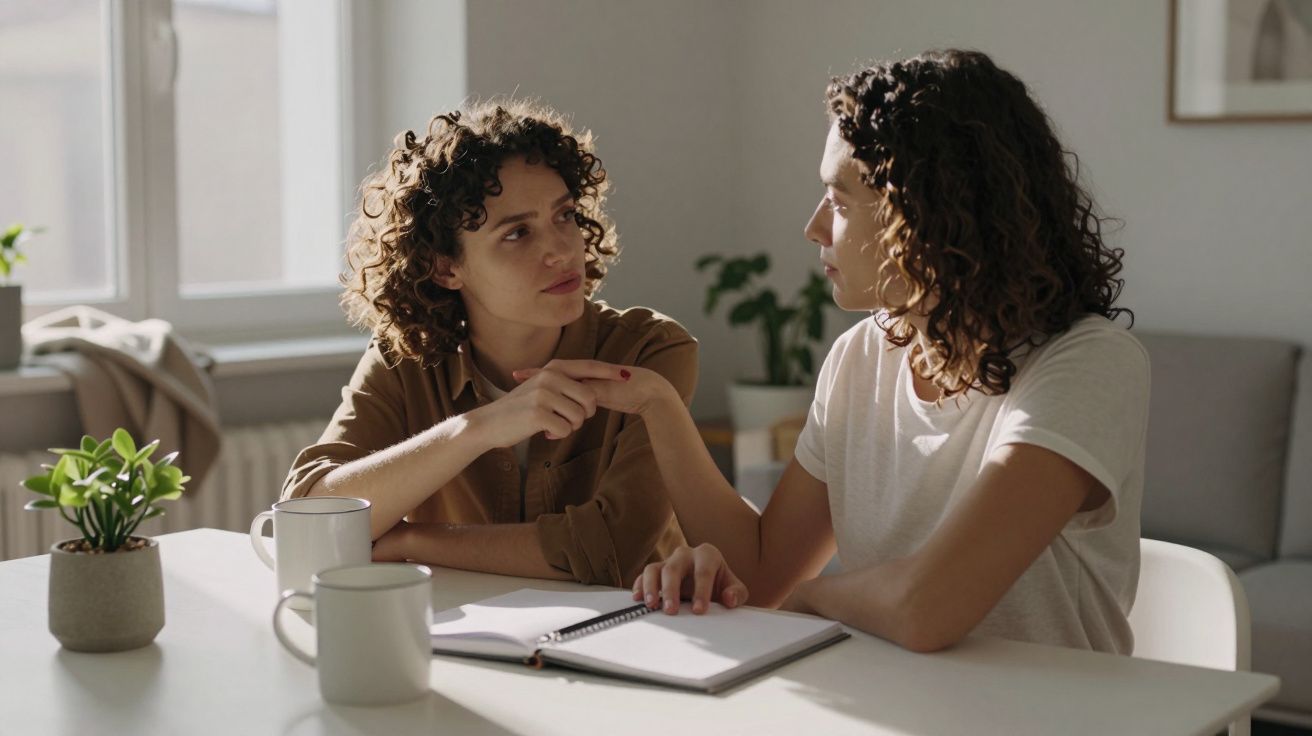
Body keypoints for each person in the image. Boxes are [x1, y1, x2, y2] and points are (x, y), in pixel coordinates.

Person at [538, 49, 1149, 653]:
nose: (814, 227)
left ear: (927, 214)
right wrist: (657, 404)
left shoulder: (1087, 363)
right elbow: (763, 574)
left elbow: (926, 609)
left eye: (838, 200)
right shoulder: (863, 355)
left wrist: (813, 600)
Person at [282, 99, 695, 587]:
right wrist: (476, 429)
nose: (563, 249)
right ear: (446, 267)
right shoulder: (404, 359)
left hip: (631, 637)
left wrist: (414, 541)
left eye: (564, 216)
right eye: (518, 232)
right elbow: (310, 517)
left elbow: (612, 553)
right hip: (468, 637)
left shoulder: (650, 353)